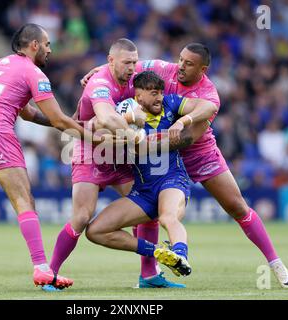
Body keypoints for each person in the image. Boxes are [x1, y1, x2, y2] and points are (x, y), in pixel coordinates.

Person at [82, 43, 288, 288]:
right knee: (148, 211)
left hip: (197, 154)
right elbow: (129, 66)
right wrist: (100, 70)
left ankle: (275, 262)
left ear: (202, 69)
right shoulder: (164, 69)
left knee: (237, 207)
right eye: (181, 59)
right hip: (159, 157)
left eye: (189, 64)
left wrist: (177, 125)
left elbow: (187, 139)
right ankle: (150, 274)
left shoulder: (208, 93)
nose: (181, 66)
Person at [0, 23, 85, 291]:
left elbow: (28, 113)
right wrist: (90, 134)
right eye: (47, 44)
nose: (49, 50)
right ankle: (42, 269)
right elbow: (58, 120)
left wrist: (67, 122)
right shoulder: (33, 72)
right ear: (34, 45)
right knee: (24, 201)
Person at [46, 38, 188, 290]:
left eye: (135, 62)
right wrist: (133, 125)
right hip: (92, 152)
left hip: (120, 155)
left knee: (146, 208)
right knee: (82, 217)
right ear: (111, 61)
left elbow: (170, 69)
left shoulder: (134, 77)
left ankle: (148, 275)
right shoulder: (100, 83)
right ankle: (50, 274)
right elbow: (107, 116)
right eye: (127, 63)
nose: (132, 68)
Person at [86, 71, 216, 280]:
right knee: (95, 231)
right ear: (138, 97)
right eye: (154, 93)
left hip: (172, 180)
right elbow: (93, 128)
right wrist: (127, 119)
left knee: (167, 217)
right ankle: (158, 252)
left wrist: (183, 121)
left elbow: (209, 106)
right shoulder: (125, 112)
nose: (159, 98)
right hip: (143, 191)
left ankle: (181, 256)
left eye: (161, 92)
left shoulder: (171, 104)